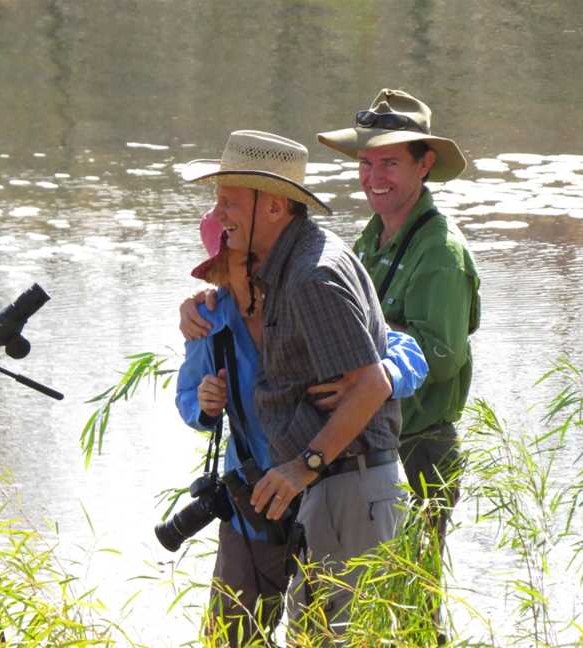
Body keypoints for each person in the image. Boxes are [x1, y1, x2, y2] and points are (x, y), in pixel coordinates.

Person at [181, 129, 407, 636]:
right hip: (334, 487)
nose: (219, 217)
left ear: (277, 207)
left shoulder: (311, 276)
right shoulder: (289, 265)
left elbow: (371, 382)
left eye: (230, 202)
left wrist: (302, 466)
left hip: (346, 484)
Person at [317, 88, 481, 567]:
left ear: (424, 164)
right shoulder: (373, 234)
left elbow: (442, 356)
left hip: (419, 449)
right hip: (372, 445)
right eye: (366, 164)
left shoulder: (441, 251)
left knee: (414, 605)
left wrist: (360, 347)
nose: (374, 178)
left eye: (389, 163)